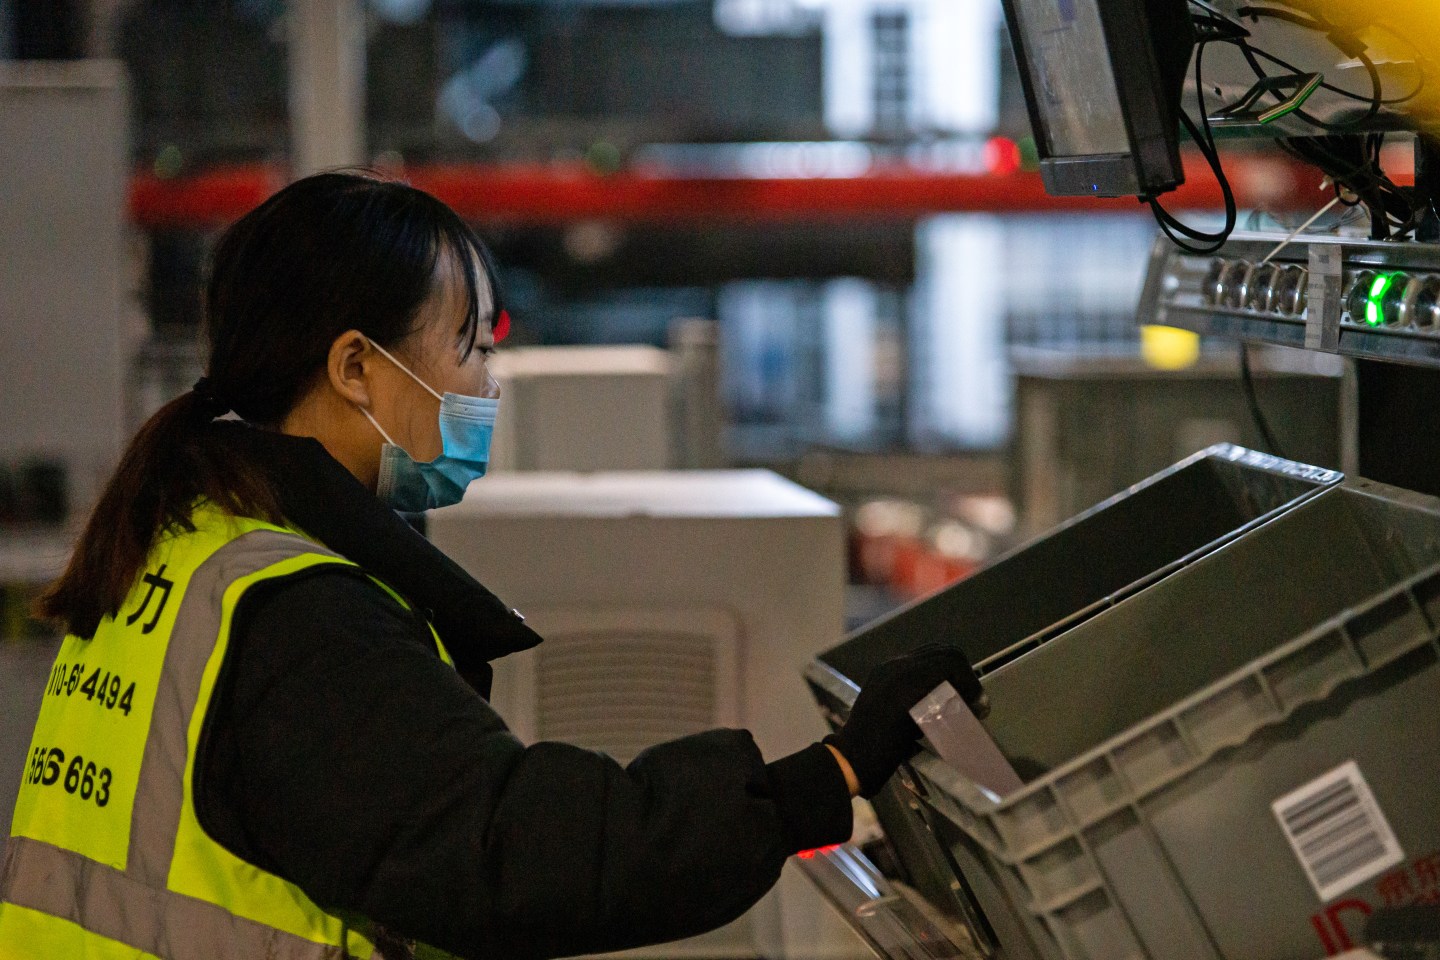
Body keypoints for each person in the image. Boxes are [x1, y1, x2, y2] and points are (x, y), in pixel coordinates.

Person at [0, 171, 983, 960]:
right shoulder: (299, 619)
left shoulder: (186, 547)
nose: (487, 383)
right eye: (468, 343)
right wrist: (835, 772)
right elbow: (512, 853)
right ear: (355, 368)